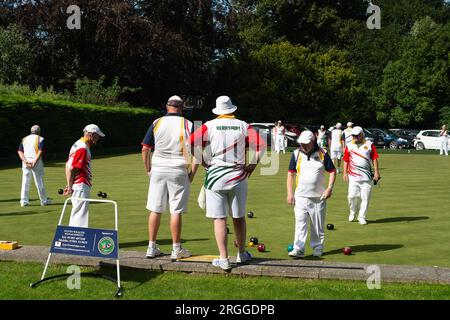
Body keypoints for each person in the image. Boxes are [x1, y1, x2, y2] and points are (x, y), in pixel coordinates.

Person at [189, 96, 265, 271]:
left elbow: (190, 143)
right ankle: (242, 253)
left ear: (217, 111)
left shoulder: (209, 125)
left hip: (215, 175)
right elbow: (261, 145)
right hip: (238, 175)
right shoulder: (244, 125)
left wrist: (201, 160)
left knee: (219, 218)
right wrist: (252, 164)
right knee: (238, 217)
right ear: (232, 110)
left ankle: (223, 259)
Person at [141, 96, 193, 260]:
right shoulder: (188, 124)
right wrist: (191, 172)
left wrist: (148, 169)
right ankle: (176, 249)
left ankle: (151, 247)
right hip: (178, 168)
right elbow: (195, 151)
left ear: (167, 107)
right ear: (181, 108)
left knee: (155, 208)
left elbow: (145, 149)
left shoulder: (157, 122)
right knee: (176, 210)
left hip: (158, 168)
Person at [286, 131, 336, 258]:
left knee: (317, 225)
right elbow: (290, 174)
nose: (303, 145)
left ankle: (318, 247)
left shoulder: (323, 153)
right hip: (300, 196)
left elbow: (332, 171)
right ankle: (299, 249)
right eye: (301, 143)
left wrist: (329, 188)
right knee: (300, 223)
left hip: (318, 197)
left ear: (313, 142)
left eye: (306, 143)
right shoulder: (296, 154)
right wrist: (289, 193)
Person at [64, 124, 105, 227]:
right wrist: (69, 186)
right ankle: (78, 240)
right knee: (80, 214)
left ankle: (74, 239)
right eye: (97, 135)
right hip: (81, 184)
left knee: (77, 212)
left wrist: (69, 184)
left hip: (78, 184)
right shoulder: (83, 147)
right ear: (91, 135)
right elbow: (73, 168)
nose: (99, 138)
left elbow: (68, 165)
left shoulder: (78, 144)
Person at [343, 126, 380, 225]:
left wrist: (376, 172)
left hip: (366, 177)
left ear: (362, 134)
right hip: (353, 176)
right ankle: (353, 212)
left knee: (365, 198)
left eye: (356, 135)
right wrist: (344, 173)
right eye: (353, 135)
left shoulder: (369, 144)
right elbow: (346, 160)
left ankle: (361, 217)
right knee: (351, 196)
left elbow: (374, 158)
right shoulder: (349, 145)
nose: (354, 137)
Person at [17, 125, 50, 207]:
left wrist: (25, 161)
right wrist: (35, 161)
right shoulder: (40, 138)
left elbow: (19, 151)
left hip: (26, 161)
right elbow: (40, 150)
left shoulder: (24, 139)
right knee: (39, 181)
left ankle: (23, 201)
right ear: (39, 131)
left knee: (25, 182)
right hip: (36, 161)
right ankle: (43, 201)